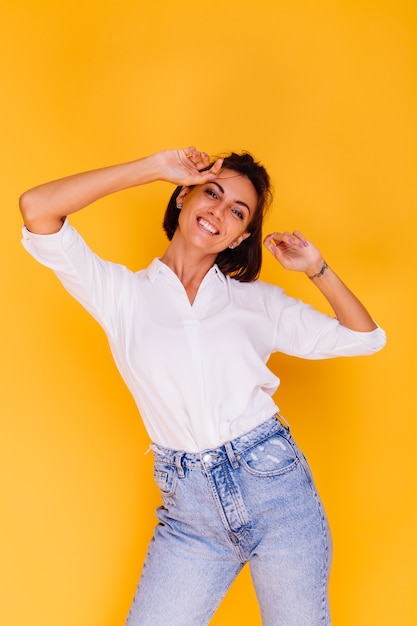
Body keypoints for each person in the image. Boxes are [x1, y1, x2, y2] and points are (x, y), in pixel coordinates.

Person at [19, 147, 386, 625]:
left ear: (242, 236)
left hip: (277, 492)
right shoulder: (121, 295)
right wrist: (152, 168)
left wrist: (316, 268)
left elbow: (366, 339)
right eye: (211, 193)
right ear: (182, 196)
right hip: (190, 513)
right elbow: (37, 209)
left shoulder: (258, 304)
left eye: (238, 211)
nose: (218, 212)